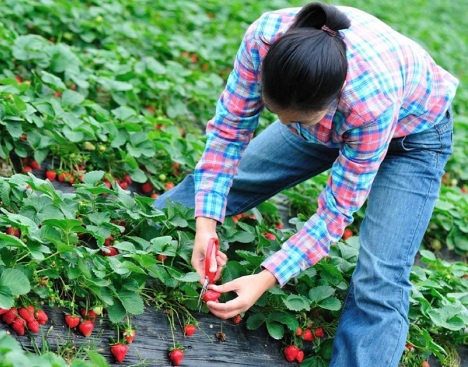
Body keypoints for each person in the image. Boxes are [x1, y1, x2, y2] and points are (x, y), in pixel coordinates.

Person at [154, 2, 457, 366]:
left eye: (295, 120)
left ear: (332, 105)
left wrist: (265, 278)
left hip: (413, 139)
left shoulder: (367, 105)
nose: (282, 124)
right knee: (229, 182)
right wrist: (206, 225)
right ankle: (136, 240)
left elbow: (335, 212)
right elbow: (229, 134)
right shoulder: (265, 40)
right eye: (276, 113)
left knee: (380, 277)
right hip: (323, 107)